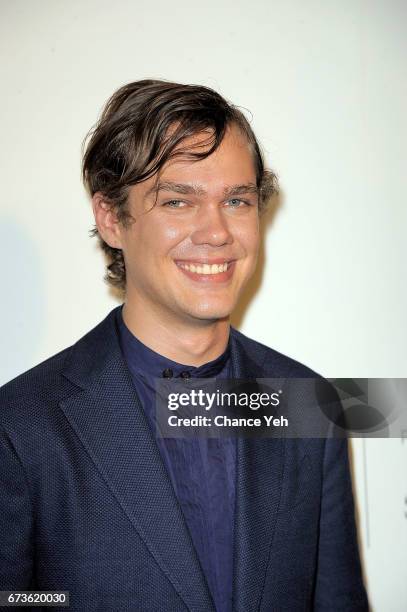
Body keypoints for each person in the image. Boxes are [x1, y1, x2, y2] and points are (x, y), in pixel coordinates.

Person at [0, 79, 369, 611]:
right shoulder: (21, 426)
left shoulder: (308, 402)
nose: (217, 231)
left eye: (236, 200)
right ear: (111, 219)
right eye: (178, 200)